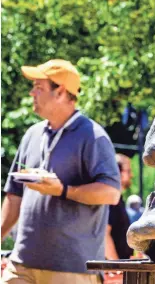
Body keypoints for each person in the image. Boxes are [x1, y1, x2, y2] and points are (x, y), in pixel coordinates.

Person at [1, 59, 121, 284]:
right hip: (21, 265)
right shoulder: (31, 135)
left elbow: (111, 193)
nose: (31, 93)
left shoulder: (93, 135)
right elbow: (14, 195)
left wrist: (63, 190)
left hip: (71, 270)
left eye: (39, 87)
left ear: (61, 92)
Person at [105, 154, 134, 260]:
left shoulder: (118, 198)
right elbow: (104, 235)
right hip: (113, 271)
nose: (132, 175)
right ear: (118, 172)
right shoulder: (111, 199)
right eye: (129, 171)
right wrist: (116, 266)